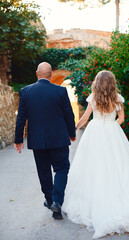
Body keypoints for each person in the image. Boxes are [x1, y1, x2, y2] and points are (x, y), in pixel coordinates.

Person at [62, 70, 129, 238]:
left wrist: (74, 129)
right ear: (112, 82)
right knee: (119, 165)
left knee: (94, 165)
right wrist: (111, 126)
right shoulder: (118, 99)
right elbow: (121, 119)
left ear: (97, 82)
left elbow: (85, 117)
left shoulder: (93, 97)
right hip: (113, 131)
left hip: (95, 131)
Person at [14, 62, 76, 220]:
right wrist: (72, 133)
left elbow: (21, 118)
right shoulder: (60, 91)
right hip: (59, 139)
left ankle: (50, 200)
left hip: (38, 141)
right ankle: (57, 201)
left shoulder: (26, 92)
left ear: (37, 73)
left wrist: (18, 139)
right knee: (61, 169)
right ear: (51, 75)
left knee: (43, 171)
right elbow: (69, 115)